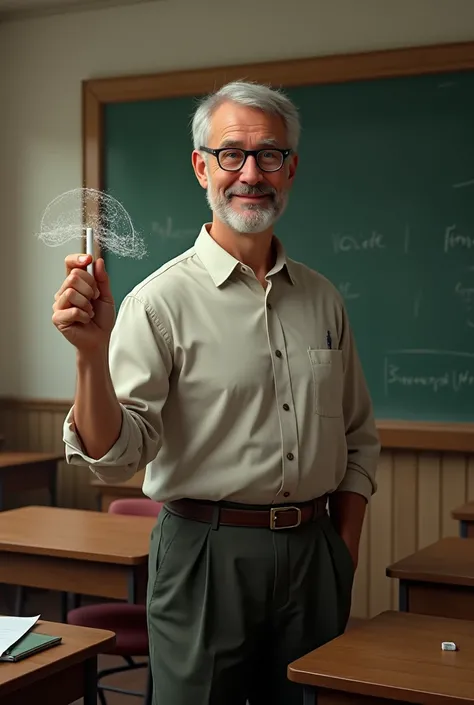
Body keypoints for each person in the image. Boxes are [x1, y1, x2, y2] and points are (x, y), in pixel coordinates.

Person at [53, 80, 380, 705]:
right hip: (204, 555)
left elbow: (358, 439)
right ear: (202, 166)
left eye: (270, 155)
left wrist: (344, 551)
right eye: (231, 154)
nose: (250, 173)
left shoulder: (323, 299)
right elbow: (115, 456)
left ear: (291, 170)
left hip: (316, 555)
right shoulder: (158, 302)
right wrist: (91, 358)